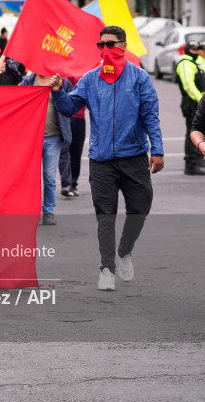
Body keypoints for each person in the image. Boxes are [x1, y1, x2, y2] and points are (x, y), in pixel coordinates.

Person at [49, 26, 164, 291]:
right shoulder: (90, 79)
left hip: (134, 157)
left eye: (110, 44)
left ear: (123, 46)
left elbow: (151, 117)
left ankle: (124, 251)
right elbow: (70, 107)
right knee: (105, 215)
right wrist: (58, 92)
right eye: (101, 45)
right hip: (101, 161)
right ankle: (106, 268)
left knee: (140, 209)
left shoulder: (139, 78)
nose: (105, 49)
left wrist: (157, 150)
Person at [21, 73, 72, 225]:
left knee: (49, 178)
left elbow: (70, 104)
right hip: (32, 138)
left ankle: (48, 211)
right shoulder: (28, 82)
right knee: (31, 178)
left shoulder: (62, 81)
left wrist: (59, 87)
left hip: (53, 138)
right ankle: (31, 212)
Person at [174, 41, 205, 175]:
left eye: (198, 48)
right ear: (187, 50)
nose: (196, 51)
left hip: (198, 102)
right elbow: (188, 85)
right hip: (192, 103)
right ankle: (191, 164)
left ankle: (198, 160)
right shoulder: (185, 64)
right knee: (194, 132)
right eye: (193, 48)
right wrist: (201, 100)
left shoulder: (196, 63)